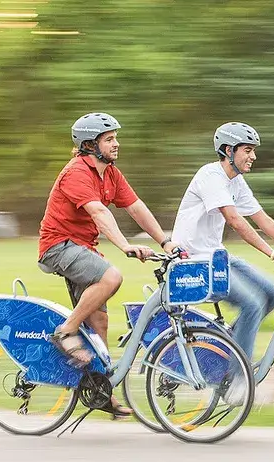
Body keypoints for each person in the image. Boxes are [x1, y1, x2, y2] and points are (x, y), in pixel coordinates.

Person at [37, 112, 181, 416]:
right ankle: (66, 331)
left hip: (82, 248)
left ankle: (99, 391)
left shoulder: (111, 174)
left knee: (100, 322)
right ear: (90, 144)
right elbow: (99, 213)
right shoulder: (76, 172)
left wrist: (165, 242)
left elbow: (136, 207)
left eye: (116, 138)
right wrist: (125, 245)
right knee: (112, 277)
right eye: (110, 139)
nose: (117, 144)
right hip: (58, 246)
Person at [171, 122, 274, 402]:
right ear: (228, 151)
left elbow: (263, 220)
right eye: (248, 151)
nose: (253, 157)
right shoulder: (210, 176)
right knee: (251, 303)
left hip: (216, 256)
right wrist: (270, 252)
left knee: (273, 293)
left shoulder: (236, 181)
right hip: (194, 263)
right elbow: (235, 220)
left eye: (253, 151)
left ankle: (232, 345)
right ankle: (238, 381)